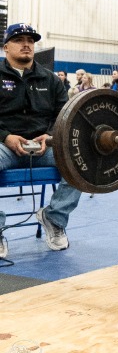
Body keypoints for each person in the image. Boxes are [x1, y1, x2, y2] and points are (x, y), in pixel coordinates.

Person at [0, 23, 83, 260]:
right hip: (4, 146)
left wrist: (50, 137)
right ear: (6, 47)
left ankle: (54, 218)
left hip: (43, 146)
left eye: (31, 40)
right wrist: (6, 136)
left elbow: (63, 117)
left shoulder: (51, 80)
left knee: (79, 162)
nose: (26, 44)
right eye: (19, 40)